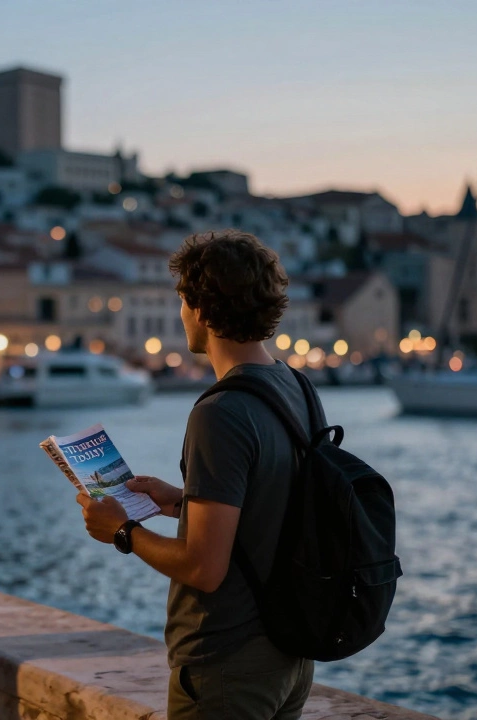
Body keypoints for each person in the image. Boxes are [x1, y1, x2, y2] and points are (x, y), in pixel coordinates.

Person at [77, 230, 318, 720]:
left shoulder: (220, 413)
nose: (181, 313)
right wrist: (181, 502)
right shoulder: (296, 387)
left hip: (226, 662)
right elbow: (271, 506)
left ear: (203, 310)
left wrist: (122, 531)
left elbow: (204, 568)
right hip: (289, 652)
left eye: (183, 300)